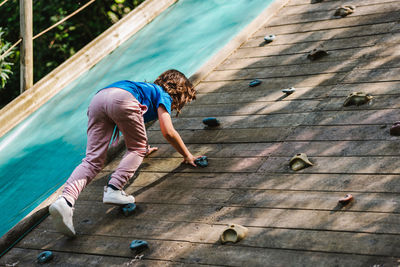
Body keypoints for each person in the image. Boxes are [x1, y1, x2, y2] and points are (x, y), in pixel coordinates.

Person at [49, 69, 200, 237]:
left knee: (92, 160)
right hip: (122, 99)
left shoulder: (146, 90)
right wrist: (188, 155)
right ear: (178, 92)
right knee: (137, 149)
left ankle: (65, 201)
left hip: (98, 100)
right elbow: (168, 132)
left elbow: (134, 126)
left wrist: (145, 146)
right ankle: (114, 189)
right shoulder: (163, 94)